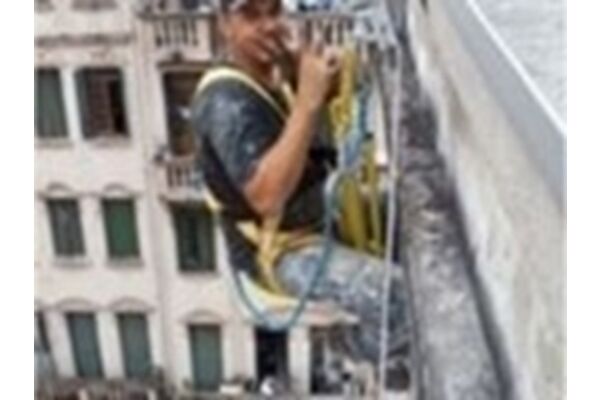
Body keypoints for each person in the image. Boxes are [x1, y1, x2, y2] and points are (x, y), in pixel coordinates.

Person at [191, 0, 410, 386]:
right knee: (397, 298)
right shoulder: (225, 102)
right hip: (278, 253)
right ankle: (353, 347)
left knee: (408, 213)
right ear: (224, 24)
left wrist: (319, 75)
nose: (267, 25)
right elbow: (266, 196)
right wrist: (308, 100)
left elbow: (331, 97)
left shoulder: (273, 78)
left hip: (316, 214)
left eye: (274, 11)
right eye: (250, 15)